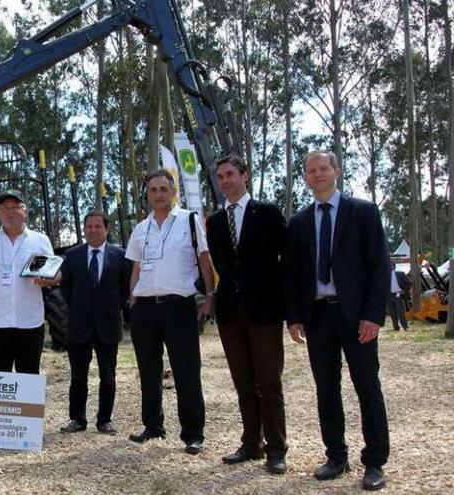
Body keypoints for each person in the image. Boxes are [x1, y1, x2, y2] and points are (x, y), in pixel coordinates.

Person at [285, 151, 390, 491]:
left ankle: (374, 461)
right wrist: (295, 318)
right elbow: (294, 275)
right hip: (318, 317)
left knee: (367, 388)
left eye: (323, 168)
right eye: (311, 170)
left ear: (337, 172)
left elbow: (379, 266)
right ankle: (336, 456)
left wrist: (373, 315)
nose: (317, 175)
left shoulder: (363, 212)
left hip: (356, 316)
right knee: (326, 390)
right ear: (306, 177)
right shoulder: (299, 222)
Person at [205, 155, 288, 474]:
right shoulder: (213, 222)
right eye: (220, 176)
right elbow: (222, 266)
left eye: (230, 174)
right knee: (243, 383)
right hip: (230, 312)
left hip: (264, 310)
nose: (225, 180)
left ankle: (276, 448)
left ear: (245, 176)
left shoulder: (267, 213)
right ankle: (251, 443)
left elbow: (287, 258)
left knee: (269, 381)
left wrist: (287, 303)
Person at [124, 169, 215, 454]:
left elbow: (203, 258)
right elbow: (136, 267)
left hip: (179, 306)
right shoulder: (141, 228)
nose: (159, 194)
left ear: (173, 191)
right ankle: (153, 426)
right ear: (148, 194)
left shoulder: (189, 221)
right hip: (146, 308)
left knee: (186, 370)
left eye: (164, 189)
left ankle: (193, 433)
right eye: (153, 190)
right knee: (148, 369)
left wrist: (210, 295)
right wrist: (132, 297)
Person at [58, 211, 130, 435]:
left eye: (98, 226)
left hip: (108, 325)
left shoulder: (121, 256)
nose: (93, 230)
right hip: (79, 325)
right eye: (89, 226)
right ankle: (77, 419)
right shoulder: (72, 256)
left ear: (106, 229)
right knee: (78, 376)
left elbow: (125, 288)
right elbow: (65, 290)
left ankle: (104, 420)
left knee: (107, 376)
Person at [0, 190, 56, 374]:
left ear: (25, 211)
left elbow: (55, 275)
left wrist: (48, 281)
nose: (10, 212)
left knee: (28, 376)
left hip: (30, 322)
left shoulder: (41, 240)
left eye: (15, 207)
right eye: (4, 208)